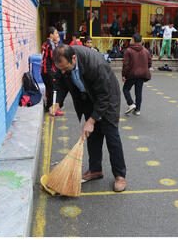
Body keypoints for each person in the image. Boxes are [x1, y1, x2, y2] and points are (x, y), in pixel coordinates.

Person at [51, 44, 127, 192]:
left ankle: (120, 175)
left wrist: (92, 120)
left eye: (65, 68)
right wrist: (57, 102)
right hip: (88, 97)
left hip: (107, 97)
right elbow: (60, 83)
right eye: (61, 69)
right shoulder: (63, 64)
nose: (63, 71)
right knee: (92, 136)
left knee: (111, 136)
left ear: (73, 58)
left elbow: (104, 96)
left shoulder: (95, 64)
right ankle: (95, 170)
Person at [122, 33, 152, 116]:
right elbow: (149, 63)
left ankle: (131, 104)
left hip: (131, 74)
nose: (130, 40)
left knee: (126, 89)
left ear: (134, 40)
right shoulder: (146, 51)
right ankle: (137, 110)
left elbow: (126, 64)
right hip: (142, 74)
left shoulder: (128, 50)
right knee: (138, 92)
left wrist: (124, 75)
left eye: (131, 39)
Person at [41, 26, 64, 115]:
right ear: (51, 35)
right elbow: (54, 58)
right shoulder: (50, 44)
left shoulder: (44, 43)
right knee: (54, 90)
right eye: (56, 33)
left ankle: (48, 107)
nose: (57, 35)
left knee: (49, 90)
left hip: (44, 71)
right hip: (50, 71)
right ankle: (54, 109)